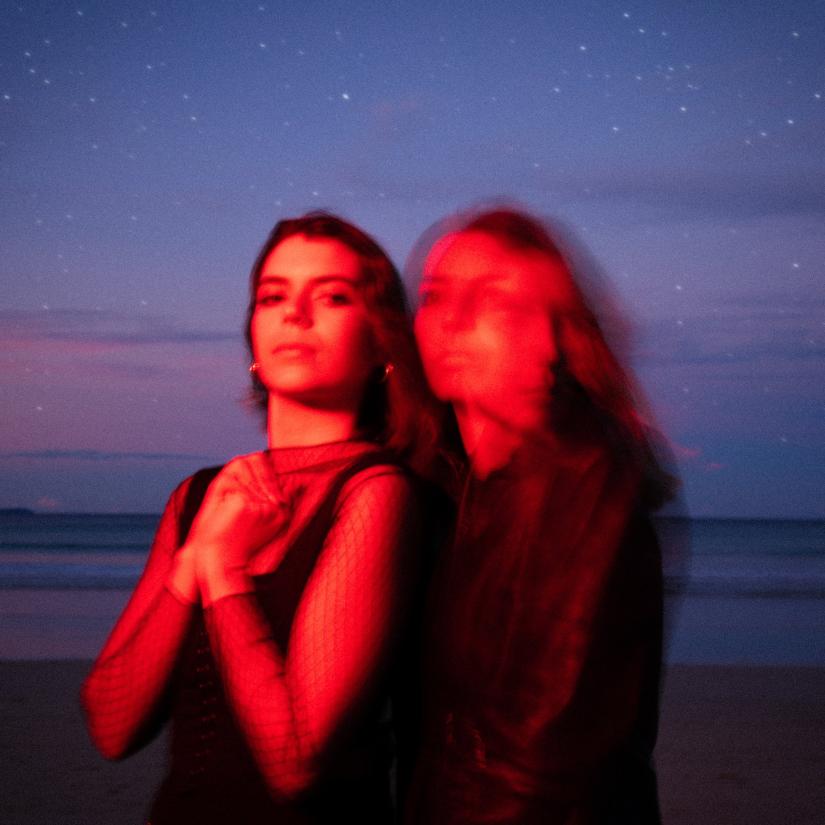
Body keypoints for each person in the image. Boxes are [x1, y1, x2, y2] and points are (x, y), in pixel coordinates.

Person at [82, 212, 449, 824]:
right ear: (252, 335)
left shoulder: (379, 493)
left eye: (331, 296)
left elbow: (295, 765)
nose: (294, 314)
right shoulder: (199, 497)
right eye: (272, 296)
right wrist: (194, 557)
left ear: (381, 342)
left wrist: (222, 571)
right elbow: (113, 726)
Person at [405, 207, 673, 824]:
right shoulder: (460, 484)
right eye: (434, 295)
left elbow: (541, 766)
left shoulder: (585, 483)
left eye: (493, 301)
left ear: (558, 334)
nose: (455, 319)